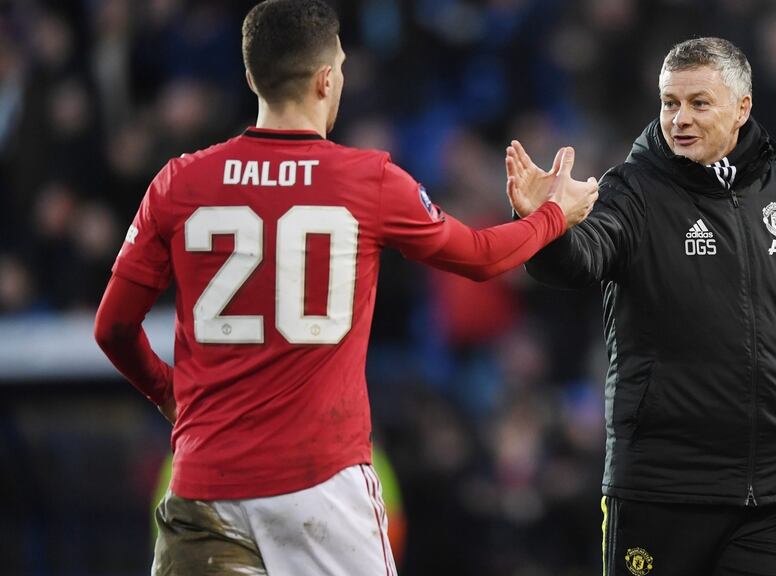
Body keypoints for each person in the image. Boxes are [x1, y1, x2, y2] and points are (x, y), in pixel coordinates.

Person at [92, 1, 597, 574]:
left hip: (205, 483)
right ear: (327, 78)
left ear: (253, 75)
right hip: (321, 485)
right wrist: (554, 215)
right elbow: (482, 258)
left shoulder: (179, 182)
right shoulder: (368, 180)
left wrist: (167, 394)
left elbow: (112, 328)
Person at [507, 37, 776, 576]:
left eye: (698, 103)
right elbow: (581, 260)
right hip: (660, 489)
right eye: (669, 102)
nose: (679, 118)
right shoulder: (633, 191)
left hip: (775, 495)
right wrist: (546, 229)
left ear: (743, 108)